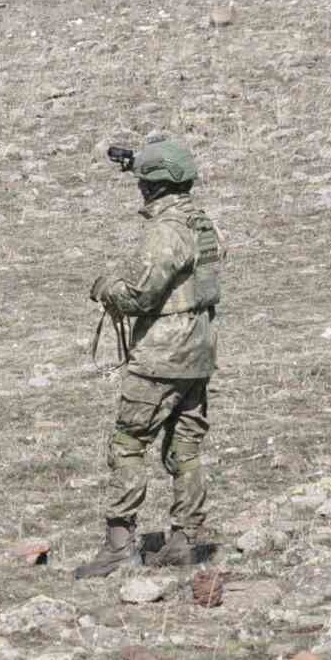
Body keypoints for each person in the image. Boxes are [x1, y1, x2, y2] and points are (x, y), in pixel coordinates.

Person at [75, 136, 226, 580]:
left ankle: (119, 545)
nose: (139, 187)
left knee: (128, 444)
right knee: (186, 448)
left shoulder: (166, 231)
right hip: (199, 349)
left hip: (163, 354)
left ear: (154, 186)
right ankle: (187, 539)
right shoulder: (202, 223)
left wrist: (105, 288)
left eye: (143, 180)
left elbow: (140, 297)